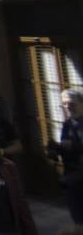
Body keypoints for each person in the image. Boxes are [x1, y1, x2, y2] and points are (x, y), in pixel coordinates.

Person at [48, 89, 83, 225]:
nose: (68, 107)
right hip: (72, 176)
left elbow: (72, 145)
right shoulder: (67, 124)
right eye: (64, 104)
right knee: (78, 219)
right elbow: (64, 145)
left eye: (71, 103)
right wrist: (55, 149)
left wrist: (73, 146)